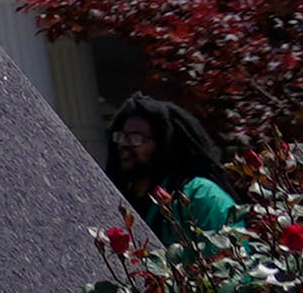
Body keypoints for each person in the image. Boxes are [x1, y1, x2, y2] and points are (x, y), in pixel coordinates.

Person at [102, 93, 242, 245]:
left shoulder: (201, 196)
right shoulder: (120, 203)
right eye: (121, 137)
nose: (124, 144)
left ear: (163, 144)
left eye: (136, 138)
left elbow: (231, 258)